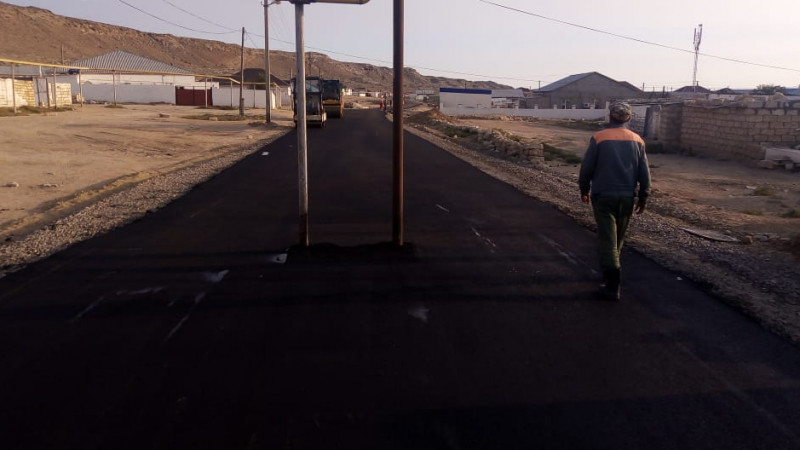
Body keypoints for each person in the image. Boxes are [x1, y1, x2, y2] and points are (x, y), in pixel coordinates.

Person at [578, 101, 651, 300]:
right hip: (627, 197)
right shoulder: (638, 140)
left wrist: (584, 188)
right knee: (618, 238)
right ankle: (610, 272)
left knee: (607, 239)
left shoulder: (599, 137)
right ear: (628, 118)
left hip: (603, 196)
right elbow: (644, 173)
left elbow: (587, 167)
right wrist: (643, 197)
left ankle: (612, 285)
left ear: (610, 116)